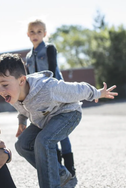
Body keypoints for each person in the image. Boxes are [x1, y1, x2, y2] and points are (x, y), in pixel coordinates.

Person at [0, 53, 118, 188]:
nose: (1, 90)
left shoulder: (48, 88)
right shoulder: (12, 93)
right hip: (44, 119)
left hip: (68, 114)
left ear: (22, 81)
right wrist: (22, 122)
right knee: (22, 145)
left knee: (43, 141)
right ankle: (59, 173)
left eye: (4, 84)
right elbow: (22, 109)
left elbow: (77, 89)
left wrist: (98, 93)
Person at [25, 19, 75, 177]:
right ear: (28, 34)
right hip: (40, 100)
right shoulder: (27, 57)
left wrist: (59, 95)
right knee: (48, 132)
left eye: (39, 31)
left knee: (62, 133)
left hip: (56, 95)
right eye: (32, 31)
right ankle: (59, 169)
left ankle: (70, 168)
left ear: (45, 34)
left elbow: (53, 71)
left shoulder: (49, 49)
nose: (35, 34)